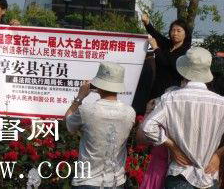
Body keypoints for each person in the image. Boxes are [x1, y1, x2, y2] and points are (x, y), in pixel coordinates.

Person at [142, 47, 224, 189]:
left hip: (179, 171)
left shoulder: (170, 98)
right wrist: (218, 153)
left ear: (184, 71)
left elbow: (147, 127)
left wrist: (172, 146)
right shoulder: (220, 102)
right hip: (209, 174)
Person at [64, 62, 136, 188]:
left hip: (87, 181)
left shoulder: (87, 110)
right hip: (116, 181)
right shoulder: (129, 112)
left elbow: (69, 123)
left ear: (98, 85)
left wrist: (80, 97)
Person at [141, 13, 192, 102]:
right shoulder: (168, 45)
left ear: (186, 33)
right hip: (157, 88)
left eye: (179, 31)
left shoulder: (186, 51)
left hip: (172, 92)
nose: (175, 33)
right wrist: (147, 22)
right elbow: (156, 35)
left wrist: (156, 48)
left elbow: (166, 63)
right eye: (173, 30)